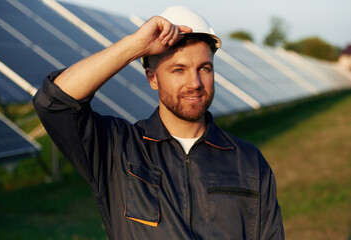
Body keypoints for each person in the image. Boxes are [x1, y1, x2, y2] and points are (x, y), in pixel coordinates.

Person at [33, 6, 284, 240]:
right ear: (152, 79)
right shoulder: (118, 149)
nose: (195, 82)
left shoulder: (249, 161)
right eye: (178, 70)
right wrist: (136, 45)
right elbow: (54, 102)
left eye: (204, 68)